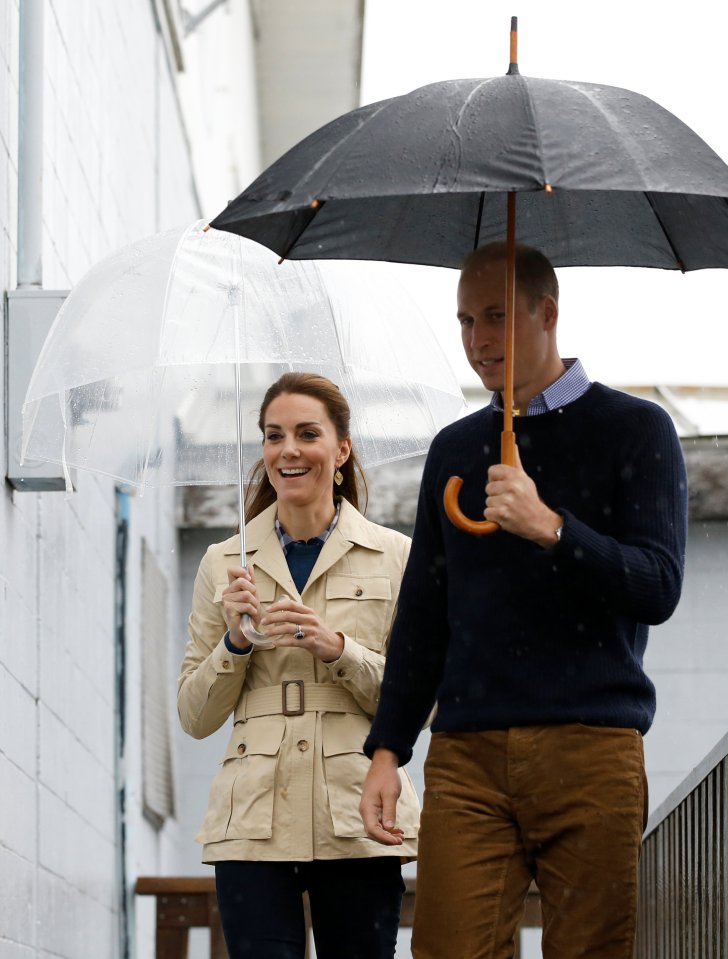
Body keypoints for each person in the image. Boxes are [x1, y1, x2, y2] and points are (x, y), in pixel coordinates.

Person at [360, 242, 688, 959]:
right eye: (466, 320)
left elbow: (658, 584)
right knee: (449, 948)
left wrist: (551, 527)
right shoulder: (454, 451)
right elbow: (423, 613)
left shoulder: (639, 430)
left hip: (592, 745)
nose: (479, 339)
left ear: (548, 313)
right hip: (468, 753)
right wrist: (388, 748)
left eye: (498, 316)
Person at [178, 372, 420, 959]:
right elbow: (194, 714)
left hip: (358, 810)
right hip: (251, 818)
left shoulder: (396, 556)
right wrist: (234, 643)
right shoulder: (223, 562)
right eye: (273, 435)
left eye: (307, 433)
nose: (288, 450)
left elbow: (423, 700)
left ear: (341, 449)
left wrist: (340, 649)